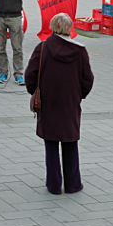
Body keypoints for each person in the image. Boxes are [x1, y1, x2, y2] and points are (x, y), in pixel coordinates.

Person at [24, 13, 94, 195]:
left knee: (51, 143)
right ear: (70, 28)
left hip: (48, 101)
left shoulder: (43, 47)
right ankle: (73, 184)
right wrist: (79, 95)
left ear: (53, 27)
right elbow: (88, 79)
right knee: (70, 142)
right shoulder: (80, 51)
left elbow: (30, 75)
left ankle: (54, 185)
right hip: (70, 102)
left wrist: (34, 91)